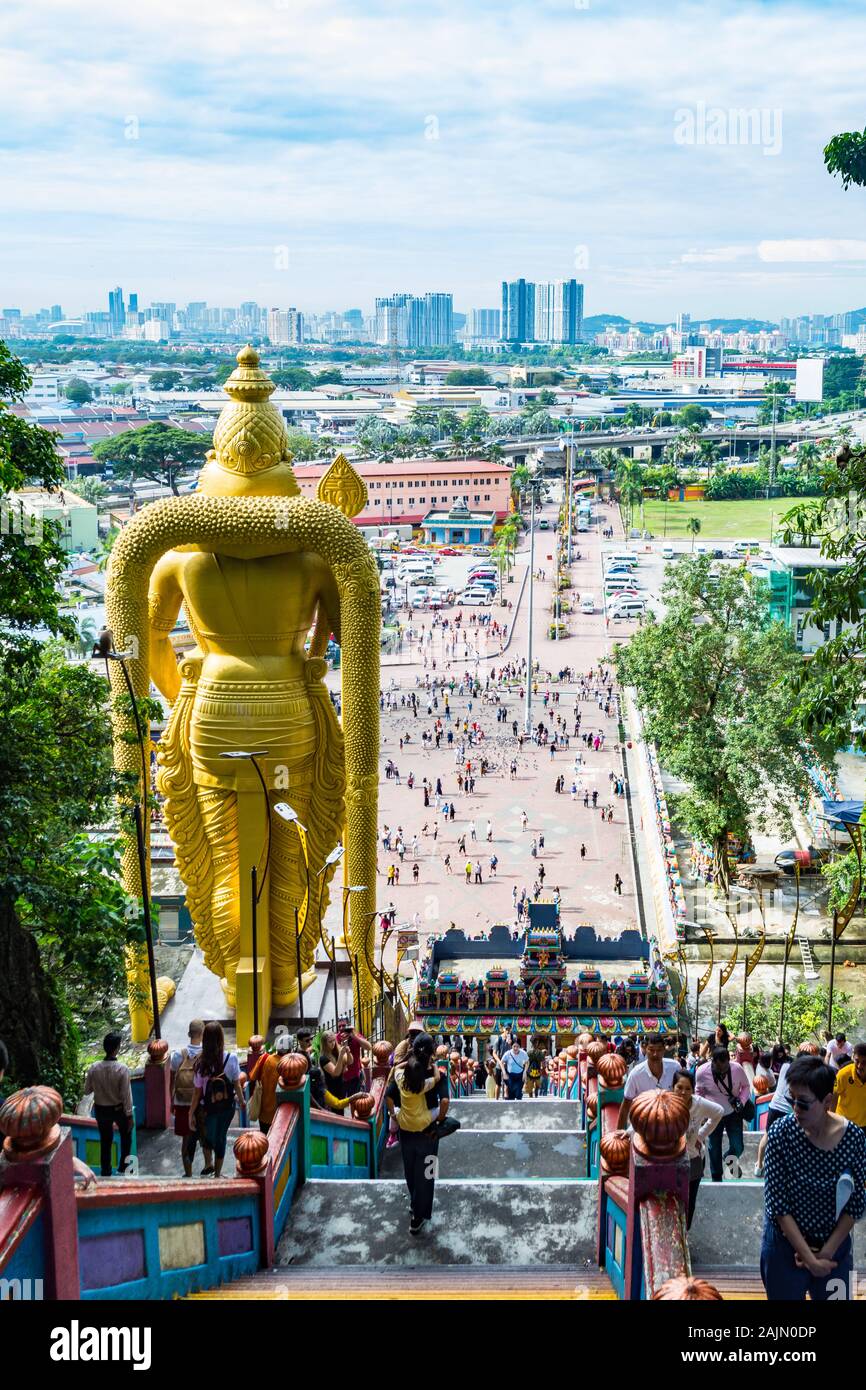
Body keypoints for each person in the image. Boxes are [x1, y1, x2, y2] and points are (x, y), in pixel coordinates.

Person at [761, 1055, 866, 1301]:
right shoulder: (781, 1133)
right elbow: (777, 1203)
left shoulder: (854, 1139)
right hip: (784, 1247)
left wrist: (825, 1254)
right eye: (792, 1100)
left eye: (804, 1103)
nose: (795, 1110)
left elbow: (856, 1203)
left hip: (834, 1249)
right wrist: (807, 1256)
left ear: (827, 1101)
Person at [386, 1032, 449, 1237]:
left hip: (405, 1130)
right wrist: (439, 1119)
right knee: (428, 1172)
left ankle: (414, 1203)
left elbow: (388, 1096)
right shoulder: (435, 1075)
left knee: (410, 1169)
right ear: (432, 1053)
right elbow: (446, 1102)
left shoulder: (402, 1074)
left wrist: (393, 1116)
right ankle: (419, 1215)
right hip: (429, 1132)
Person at [189, 1022, 245, 1177]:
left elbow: (197, 1092)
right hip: (227, 1107)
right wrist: (241, 1101)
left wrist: (190, 1113)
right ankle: (218, 1174)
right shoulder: (231, 1058)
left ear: (204, 1040)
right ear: (221, 1038)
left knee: (205, 1135)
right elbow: (237, 1084)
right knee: (221, 1136)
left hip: (207, 1108)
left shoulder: (201, 1063)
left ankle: (208, 1163)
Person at [671, 1069, 723, 1229]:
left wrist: (701, 1135)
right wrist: (628, 1133)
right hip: (670, 1160)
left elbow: (719, 1112)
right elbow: (646, 1118)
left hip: (693, 1158)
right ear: (672, 1087)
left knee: (689, 1200)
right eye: (679, 1087)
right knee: (672, 1198)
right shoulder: (666, 1102)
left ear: (693, 1090)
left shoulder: (698, 1104)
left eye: (687, 1088)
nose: (683, 1092)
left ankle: (685, 1234)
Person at [695, 1045, 751, 1181]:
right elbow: (698, 1092)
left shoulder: (737, 1069)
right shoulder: (702, 1071)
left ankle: (729, 1158)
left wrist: (741, 1102)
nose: (722, 1071)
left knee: (738, 1146)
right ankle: (716, 1177)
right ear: (712, 1061)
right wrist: (702, 1111)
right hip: (713, 1114)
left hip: (733, 1113)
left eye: (725, 1068)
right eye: (719, 1068)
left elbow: (746, 1086)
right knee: (714, 1146)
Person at [83, 1031, 134, 1177]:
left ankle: (106, 1172)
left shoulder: (93, 1068)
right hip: (118, 1109)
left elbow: (87, 1091)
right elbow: (126, 1095)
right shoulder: (122, 1069)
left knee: (105, 1141)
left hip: (101, 1110)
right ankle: (124, 1168)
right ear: (117, 1048)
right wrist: (129, 1115)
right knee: (126, 1137)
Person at [170, 1018, 213, 1176]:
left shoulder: (178, 1055)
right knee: (205, 1136)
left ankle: (188, 1173)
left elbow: (173, 1078)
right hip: (202, 1102)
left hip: (182, 1103)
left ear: (189, 1033)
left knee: (186, 1141)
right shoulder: (207, 1054)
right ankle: (209, 1164)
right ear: (202, 1034)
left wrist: (171, 1099)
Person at [617, 1036, 679, 1129]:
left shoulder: (675, 1067)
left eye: (659, 1050)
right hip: (643, 1124)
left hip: (669, 1123)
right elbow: (626, 1105)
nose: (655, 1054)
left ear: (664, 1050)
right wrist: (619, 1131)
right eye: (651, 1050)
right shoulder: (636, 1074)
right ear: (646, 1049)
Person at [248, 1035, 291, 1134]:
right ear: (289, 1050)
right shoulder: (289, 1066)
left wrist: (252, 1098)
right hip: (281, 1115)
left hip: (263, 1113)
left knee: (265, 1141)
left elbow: (252, 1079)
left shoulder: (264, 1058)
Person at [831, 1043, 866, 1133]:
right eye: (857, 1061)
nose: (859, 1066)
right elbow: (834, 1098)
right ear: (853, 1057)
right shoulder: (843, 1074)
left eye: (864, 1063)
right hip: (844, 1123)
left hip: (864, 1124)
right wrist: (831, 1120)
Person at [339, 1019, 371, 1097]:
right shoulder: (337, 1038)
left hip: (354, 1075)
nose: (341, 1028)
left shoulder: (355, 1036)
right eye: (339, 1026)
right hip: (341, 1076)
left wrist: (355, 1037)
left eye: (344, 1026)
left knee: (355, 1101)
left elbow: (369, 1047)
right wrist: (343, 1043)